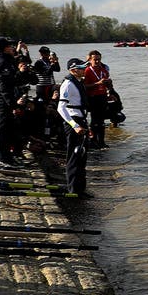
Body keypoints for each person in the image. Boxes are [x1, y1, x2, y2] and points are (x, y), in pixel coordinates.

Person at [56, 58, 91, 197]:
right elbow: (61, 108)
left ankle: (80, 188)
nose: (84, 70)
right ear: (73, 69)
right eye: (81, 68)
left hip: (81, 119)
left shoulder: (78, 82)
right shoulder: (68, 84)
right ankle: (73, 189)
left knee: (81, 156)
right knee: (74, 156)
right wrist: (75, 125)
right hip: (74, 122)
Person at [0, 37, 21, 166]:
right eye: (9, 46)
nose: (12, 48)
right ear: (4, 48)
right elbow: (4, 87)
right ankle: (4, 158)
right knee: (4, 129)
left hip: (0, 98)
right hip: (3, 100)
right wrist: (13, 105)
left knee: (8, 128)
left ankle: (7, 155)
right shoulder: (2, 62)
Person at [81, 50, 113, 149]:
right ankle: (93, 141)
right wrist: (97, 83)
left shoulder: (104, 70)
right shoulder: (87, 71)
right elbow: (84, 86)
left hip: (102, 97)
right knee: (95, 120)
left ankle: (102, 142)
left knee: (101, 121)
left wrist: (109, 86)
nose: (97, 62)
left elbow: (109, 86)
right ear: (90, 60)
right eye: (95, 60)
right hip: (92, 97)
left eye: (99, 59)